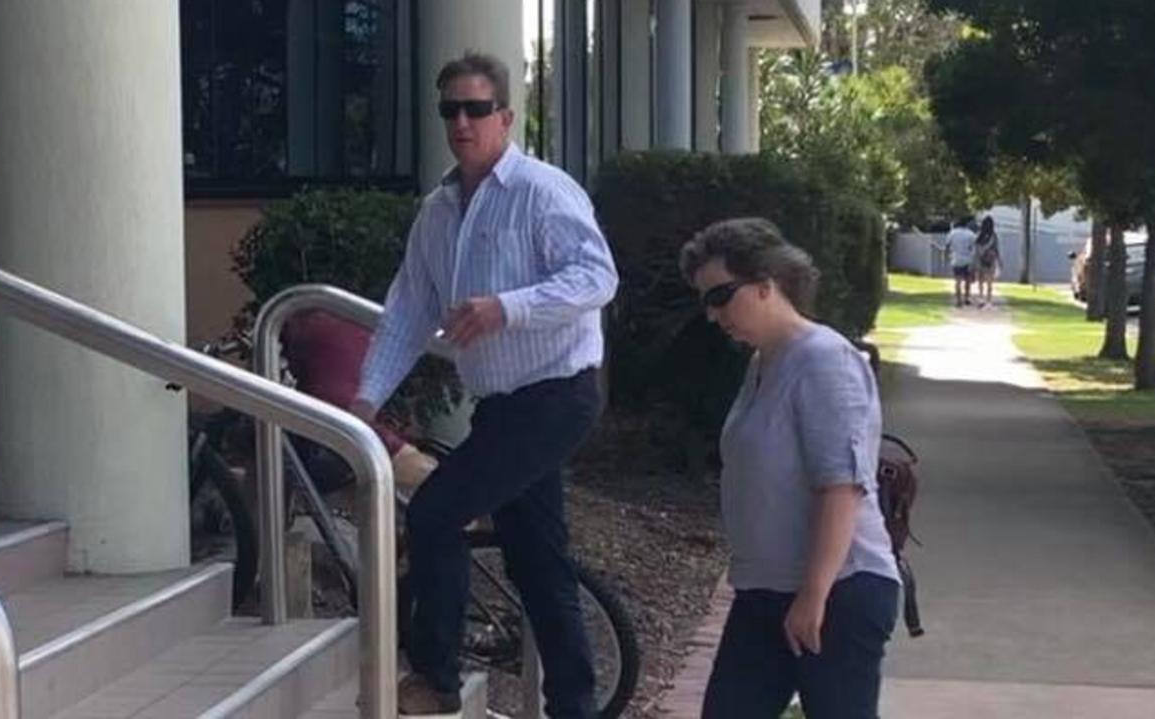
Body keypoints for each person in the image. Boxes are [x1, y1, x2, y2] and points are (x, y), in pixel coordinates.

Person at [350, 52, 619, 717]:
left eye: (475, 109)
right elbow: (408, 309)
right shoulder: (437, 211)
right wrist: (364, 400)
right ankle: (575, 704)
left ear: (505, 116)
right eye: (450, 110)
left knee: (437, 510)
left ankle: (435, 677)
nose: (462, 122)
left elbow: (596, 279)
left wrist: (507, 305)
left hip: (558, 393)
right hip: (501, 405)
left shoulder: (543, 190)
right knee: (537, 559)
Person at [679, 218, 901, 719]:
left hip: (838, 590)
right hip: (764, 589)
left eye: (720, 297)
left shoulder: (825, 360)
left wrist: (813, 595)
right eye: (705, 302)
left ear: (766, 284)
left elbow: (840, 487)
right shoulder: (763, 362)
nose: (713, 316)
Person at [941, 217, 977, 307]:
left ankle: (958, 300)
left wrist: (944, 258)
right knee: (967, 281)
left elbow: (947, 247)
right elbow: (974, 249)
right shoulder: (971, 234)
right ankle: (966, 298)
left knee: (958, 281)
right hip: (967, 259)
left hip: (956, 259)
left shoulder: (952, 233)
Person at [973, 215, 1001, 307]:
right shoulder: (994, 236)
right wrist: (999, 260)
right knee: (989, 282)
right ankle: (989, 300)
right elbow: (996, 249)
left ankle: (981, 298)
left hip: (980, 260)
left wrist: (978, 257)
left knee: (980, 280)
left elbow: (976, 249)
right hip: (990, 261)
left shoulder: (979, 236)